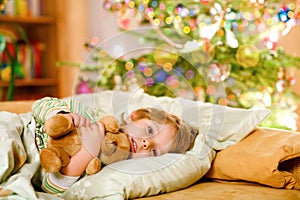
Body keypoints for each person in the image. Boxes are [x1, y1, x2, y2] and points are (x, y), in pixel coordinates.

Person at [31, 96, 199, 194]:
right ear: (135, 116)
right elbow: (40, 104)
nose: (146, 144)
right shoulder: (90, 116)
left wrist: (88, 152)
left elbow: (50, 189)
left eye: (155, 151)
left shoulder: (102, 169)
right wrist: (63, 116)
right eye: (149, 130)